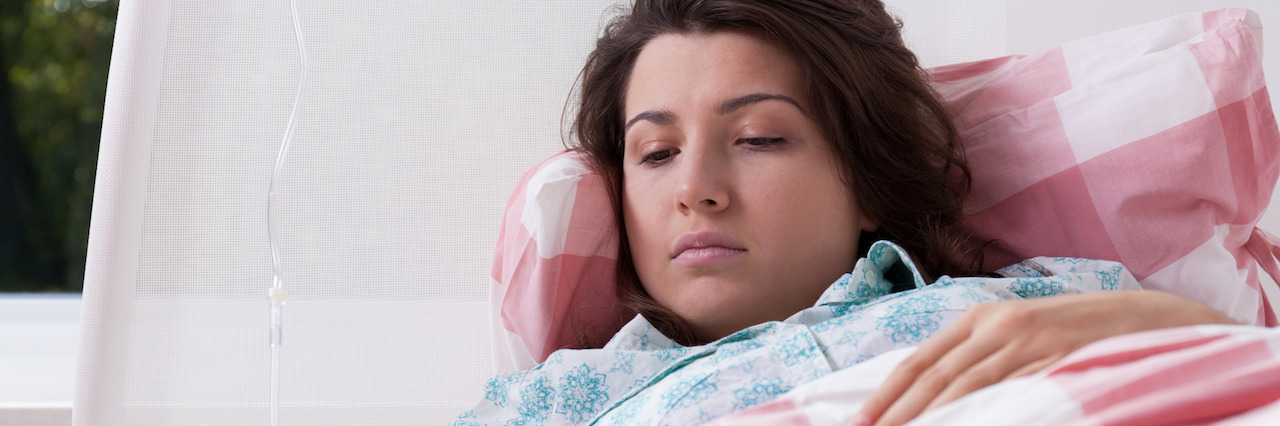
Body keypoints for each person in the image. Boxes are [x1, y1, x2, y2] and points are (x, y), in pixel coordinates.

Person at [456, 0, 1237, 424]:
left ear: (865, 177)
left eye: (759, 137)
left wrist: (1168, 323)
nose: (695, 186)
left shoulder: (1035, 301)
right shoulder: (551, 403)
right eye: (655, 153)